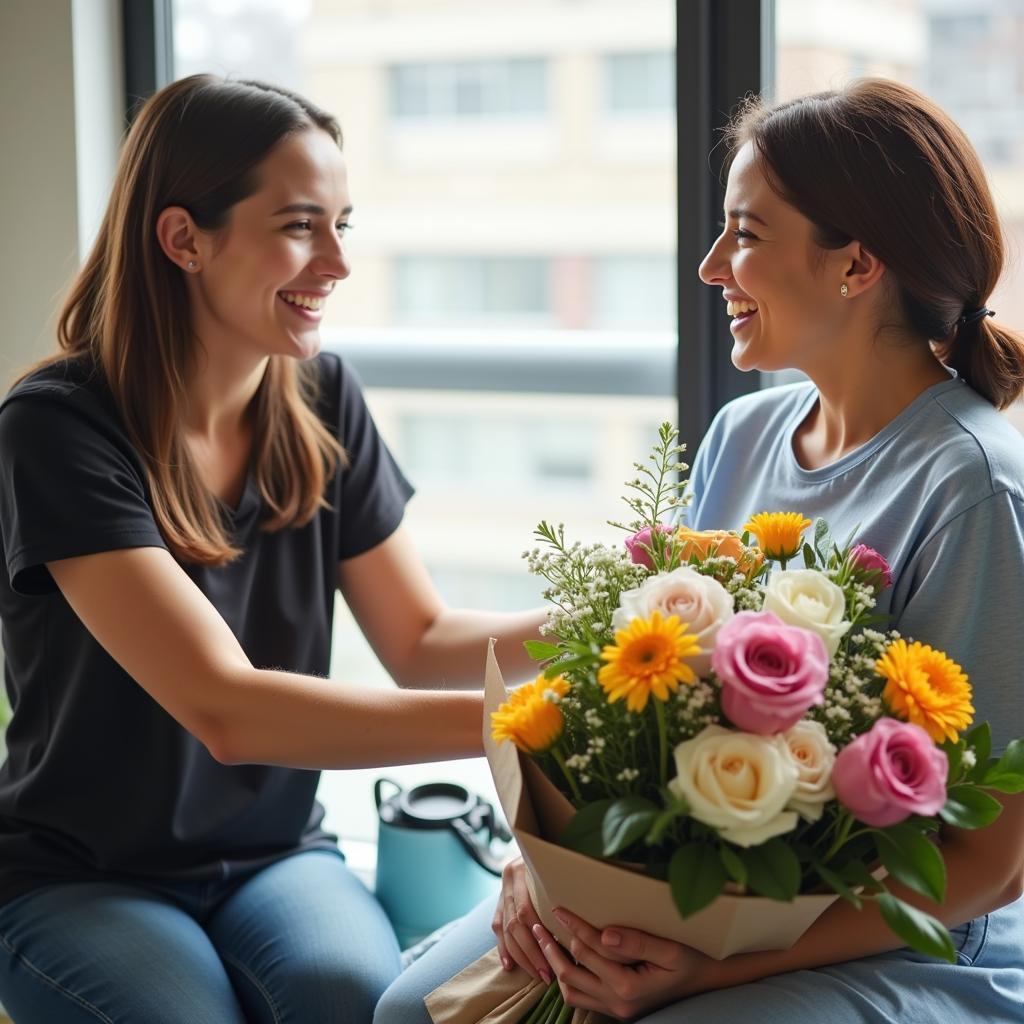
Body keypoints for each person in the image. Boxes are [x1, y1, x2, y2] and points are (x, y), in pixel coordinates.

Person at [373, 78, 1024, 1024]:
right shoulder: (742, 436)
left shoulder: (972, 489)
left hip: (905, 935)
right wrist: (547, 879)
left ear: (856, 266)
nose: (713, 265)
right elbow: (631, 689)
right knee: (409, 1011)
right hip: (698, 890)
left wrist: (710, 970)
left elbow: (991, 863)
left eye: (748, 235)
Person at [0, 74, 546, 1024]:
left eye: (343, 224)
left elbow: (420, 638)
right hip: (79, 875)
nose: (336, 262)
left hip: (276, 856)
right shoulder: (55, 429)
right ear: (184, 239)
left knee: (355, 1002)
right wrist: (525, 723)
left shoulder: (323, 400)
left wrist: (616, 631)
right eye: (300, 225)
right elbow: (229, 710)